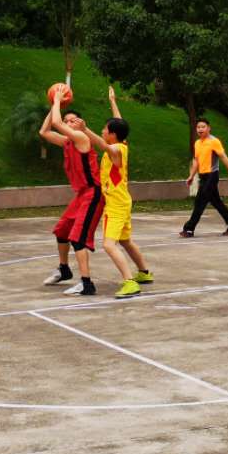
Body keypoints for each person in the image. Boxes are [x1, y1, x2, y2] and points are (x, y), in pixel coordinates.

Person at [83, 87, 153, 298]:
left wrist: (85, 130)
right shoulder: (122, 142)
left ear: (112, 135)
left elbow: (105, 146)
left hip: (116, 204)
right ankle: (144, 273)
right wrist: (113, 100)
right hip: (122, 201)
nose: (102, 131)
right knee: (125, 241)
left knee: (108, 244)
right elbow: (119, 123)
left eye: (105, 129)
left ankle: (129, 282)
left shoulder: (117, 149)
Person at [40, 92, 105, 296]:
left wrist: (57, 101)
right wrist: (54, 106)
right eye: (66, 120)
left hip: (93, 194)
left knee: (78, 239)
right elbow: (45, 131)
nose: (68, 123)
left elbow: (57, 123)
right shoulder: (67, 141)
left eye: (72, 121)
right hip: (81, 195)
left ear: (81, 125)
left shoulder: (81, 138)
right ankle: (64, 269)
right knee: (62, 231)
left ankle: (87, 284)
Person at [179, 119, 228, 238]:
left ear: (209, 128)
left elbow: (223, 156)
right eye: (198, 127)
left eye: (203, 127)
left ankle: (189, 229)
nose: (200, 129)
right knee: (216, 202)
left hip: (212, 175)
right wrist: (191, 176)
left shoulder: (214, 141)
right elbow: (196, 161)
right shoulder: (197, 143)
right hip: (203, 176)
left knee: (200, 201)